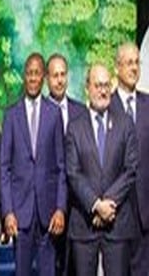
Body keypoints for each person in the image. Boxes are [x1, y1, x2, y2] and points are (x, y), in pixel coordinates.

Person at [66, 63, 137, 275]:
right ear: (87, 88)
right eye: (97, 85)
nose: (103, 91)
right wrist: (96, 205)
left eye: (106, 85)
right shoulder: (75, 127)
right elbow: (73, 172)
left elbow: (130, 169)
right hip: (84, 225)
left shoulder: (125, 124)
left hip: (117, 224)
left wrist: (107, 206)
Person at [0, 53, 66, 276]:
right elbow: (4, 168)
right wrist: (8, 212)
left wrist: (60, 208)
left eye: (37, 73)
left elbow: (61, 167)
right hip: (20, 215)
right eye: (29, 73)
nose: (33, 78)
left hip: (48, 214)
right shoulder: (11, 115)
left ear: (44, 77)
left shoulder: (54, 113)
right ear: (24, 76)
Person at [109, 42, 149, 275]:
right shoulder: (105, 106)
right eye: (129, 63)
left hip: (145, 216)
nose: (134, 68)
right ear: (117, 67)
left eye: (137, 63)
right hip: (116, 217)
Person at [45, 53, 86, 276]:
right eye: (55, 76)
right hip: (48, 206)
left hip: (79, 207)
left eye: (63, 75)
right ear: (47, 79)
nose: (60, 80)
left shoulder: (81, 111)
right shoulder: (38, 112)